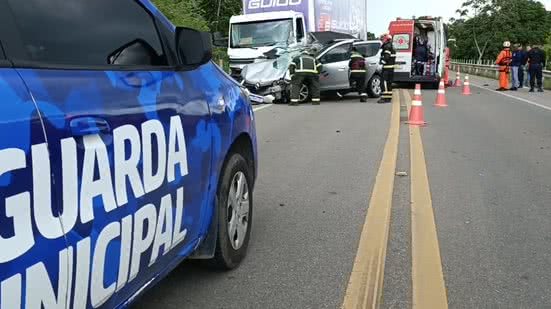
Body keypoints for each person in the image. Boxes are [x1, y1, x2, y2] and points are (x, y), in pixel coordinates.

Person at [378, 33, 396, 103]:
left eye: (382, 39)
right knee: (389, 83)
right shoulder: (391, 46)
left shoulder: (387, 46)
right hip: (390, 68)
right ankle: (388, 98)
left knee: (384, 83)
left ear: (386, 39)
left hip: (387, 68)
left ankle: (384, 98)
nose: (382, 41)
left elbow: (386, 57)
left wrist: (381, 63)